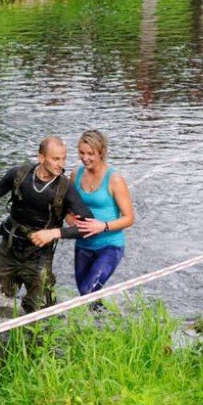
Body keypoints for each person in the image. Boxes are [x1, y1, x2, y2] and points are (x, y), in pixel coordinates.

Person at [0, 137, 93, 313]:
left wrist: (55, 233)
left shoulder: (65, 188)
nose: (61, 164)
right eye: (55, 159)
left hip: (40, 257)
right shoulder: (19, 175)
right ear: (41, 158)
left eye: (64, 158)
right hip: (9, 250)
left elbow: (89, 227)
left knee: (42, 312)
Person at [42, 130, 133, 307]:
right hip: (83, 245)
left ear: (101, 153)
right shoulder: (76, 175)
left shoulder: (114, 179)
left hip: (110, 245)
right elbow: (64, 203)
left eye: (90, 154)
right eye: (82, 153)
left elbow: (129, 218)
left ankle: (102, 322)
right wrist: (67, 216)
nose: (85, 158)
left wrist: (103, 226)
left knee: (87, 292)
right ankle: (103, 325)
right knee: (88, 295)